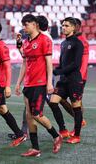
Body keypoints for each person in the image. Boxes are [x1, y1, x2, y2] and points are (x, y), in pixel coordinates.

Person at [15, 14, 62, 157]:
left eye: (26, 24)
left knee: (37, 115)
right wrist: (18, 83)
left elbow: (49, 63)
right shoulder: (26, 42)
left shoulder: (44, 40)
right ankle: (35, 148)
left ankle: (56, 135)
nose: (24, 28)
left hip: (40, 83)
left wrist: (49, 83)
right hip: (28, 84)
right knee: (29, 116)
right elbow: (24, 61)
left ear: (35, 24)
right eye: (23, 25)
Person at [49, 17, 84, 144]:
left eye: (67, 25)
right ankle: (63, 129)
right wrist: (54, 70)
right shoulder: (63, 43)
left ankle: (77, 135)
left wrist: (59, 71)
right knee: (53, 102)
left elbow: (76, 64)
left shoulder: (77, 43)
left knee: (76, 107)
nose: (64, 27)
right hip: (63, 81)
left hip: (74, 80)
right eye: (63, 25)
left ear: (74, 28)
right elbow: (61, 63)